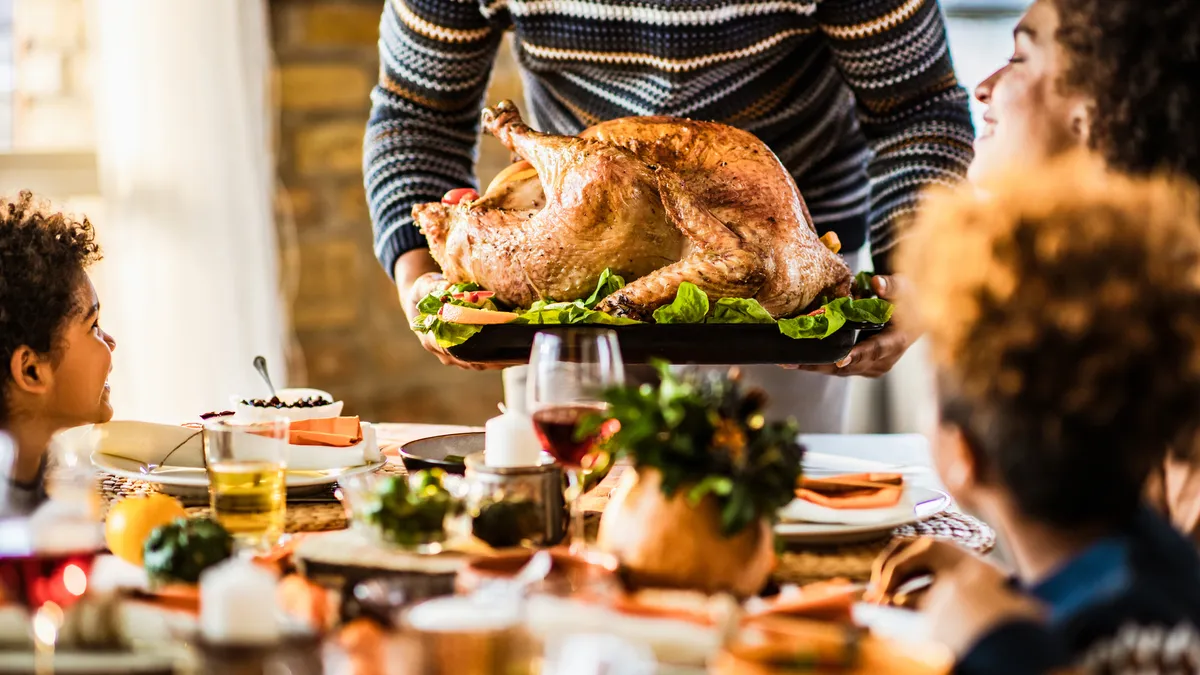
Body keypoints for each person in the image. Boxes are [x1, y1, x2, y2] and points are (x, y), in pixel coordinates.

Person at [364, 0, 975, 431]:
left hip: (780, 289)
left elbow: (916, 110)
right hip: (570, 276)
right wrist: (425, 286)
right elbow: (417, 115)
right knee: (578, 531)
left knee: (774, 528)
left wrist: (914, 276)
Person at [871, 155, 1200, 673]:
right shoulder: (1166, 565)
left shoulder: (1036, 652)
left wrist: (995, 641)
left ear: (964, 454)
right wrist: (1008, 590)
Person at [966, 0, 1200, 541]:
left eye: (1020, 58)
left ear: (1098, 109)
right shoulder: (1102, 292)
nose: (984, 86)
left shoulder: (1164, 330)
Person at [0, 192, 116, 512]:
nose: (111, 341)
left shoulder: (43, 472)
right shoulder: (11, 528)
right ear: (31, 371)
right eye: (92, 325)